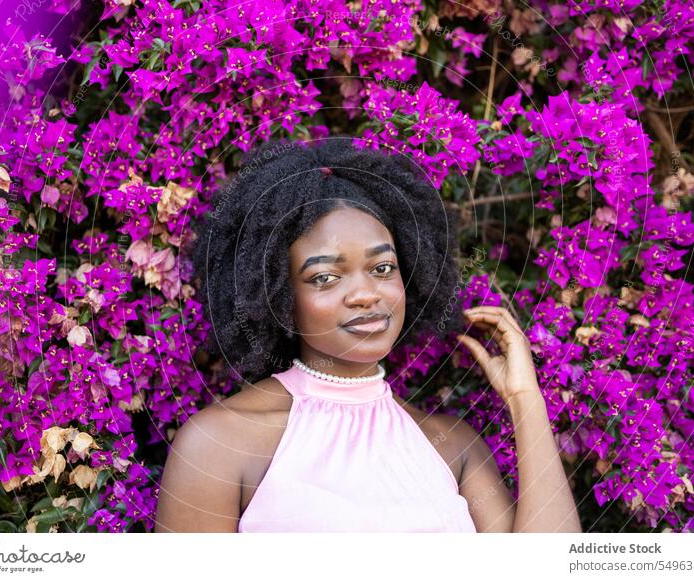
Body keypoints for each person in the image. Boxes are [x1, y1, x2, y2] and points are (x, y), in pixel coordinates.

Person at [154, 137, 581, 533]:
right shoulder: (220, 443)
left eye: (382, 268)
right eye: (324, 277)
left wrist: (527, 402)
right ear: (278, 294)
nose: (365, 295)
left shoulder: (454, 447)